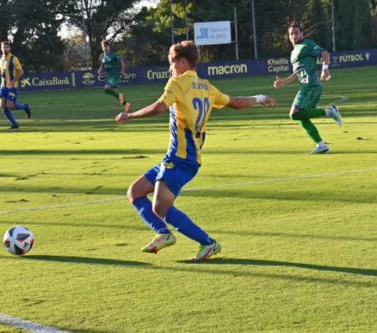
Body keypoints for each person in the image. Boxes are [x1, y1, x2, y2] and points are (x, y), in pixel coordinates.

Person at [116, 40, 277, 261]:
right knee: (135, 192)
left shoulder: (178, 82)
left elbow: (160, 106)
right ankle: (186, 238)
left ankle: (187, 238)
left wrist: (130, 115)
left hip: (181, 160)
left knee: (159, 208)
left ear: (183, 62)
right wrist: (260, 98)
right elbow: (235, 102)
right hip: (179, 158)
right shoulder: (207, 87)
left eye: (172, 62)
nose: (170, 67)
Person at [274, 23, 342, 154]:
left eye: (296, 32)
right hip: (309, 86)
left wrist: (325, 69)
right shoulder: (294, 52)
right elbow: (297, 74)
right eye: (291, 34)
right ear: (288, 36)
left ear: (302, 33)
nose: (294, 35)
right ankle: (321, 145)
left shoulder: (307, 44)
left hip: (311, 85)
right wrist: (284, 82)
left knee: (294, 114)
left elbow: (325, 53)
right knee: (301, 117)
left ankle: (329, 111)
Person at [0, 41, 31, 129]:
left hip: (12, 86)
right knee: (3, 106)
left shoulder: (14, 58)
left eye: (7, 47)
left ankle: (25, 106)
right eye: (3, 47)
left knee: (11, 106)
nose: (5, 49)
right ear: (1, 48)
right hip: (3, 86)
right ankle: (15, 124)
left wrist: (13, 81)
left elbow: (21, 72)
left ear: (9, 48)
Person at [98, 40, 130, 112]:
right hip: (109, 75)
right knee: (112, 92)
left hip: (115, 75)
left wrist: (122, 72)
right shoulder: (102, 56)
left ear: (109, 47)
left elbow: (122, 63)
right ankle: (126, 104)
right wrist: (100, 69)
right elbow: (102, 64)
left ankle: (120, 96)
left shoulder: (114, 55)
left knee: (106, 88)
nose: (105, 48)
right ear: (102, 47)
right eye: (104, 47)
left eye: (106, 46)